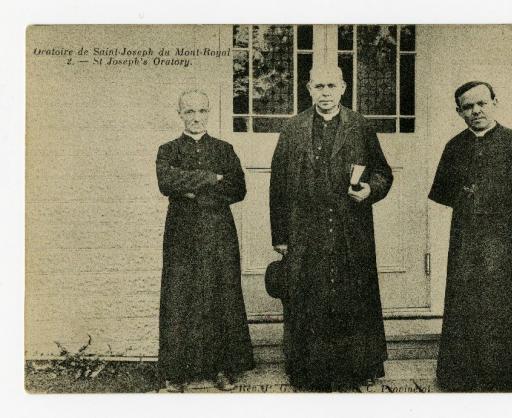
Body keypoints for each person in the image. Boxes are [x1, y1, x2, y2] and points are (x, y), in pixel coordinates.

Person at [269, 65, 393, 391]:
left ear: (343, 88)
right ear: (309, 89)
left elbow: (383, 172)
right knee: (308, 294)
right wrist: (280, 235)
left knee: (354, 293)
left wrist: (370, 190)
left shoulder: (360, 126)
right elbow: (278, 185)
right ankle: (306, 370)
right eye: (319, 86)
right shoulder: (292, 129)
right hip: (305, 229)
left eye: (331, 86)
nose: (325, 93)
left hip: (350, 226)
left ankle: (361, 367)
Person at [428, 81, 512, 392]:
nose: (476, 111)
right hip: (466, 240)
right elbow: (445, 193)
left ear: (495, 102)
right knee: (467, 302)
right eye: (468, 107)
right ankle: (464, 378)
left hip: (507, 241)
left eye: (482, 104)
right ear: (458, 112)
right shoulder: (454, 147)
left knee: (508, 303)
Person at [156, 89, 254, 392]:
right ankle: (178, 372)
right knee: (180, 296)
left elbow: (238, 188)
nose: (196, 118)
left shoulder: (225, 149)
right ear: (180, 114)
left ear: (209, 113)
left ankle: (223, 368)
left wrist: (192, 189)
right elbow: (166, 182)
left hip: (218, 232)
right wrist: (213, 179)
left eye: (201, 111)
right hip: (181, 235)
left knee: (220, 293)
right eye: (189, 112)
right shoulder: (168, 150)